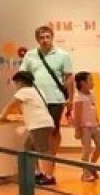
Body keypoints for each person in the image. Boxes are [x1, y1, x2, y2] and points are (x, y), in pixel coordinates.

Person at [18, 25, 73, 180]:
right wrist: (23, 96)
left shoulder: (63, 55)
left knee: (53, 132)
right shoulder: (30, 55)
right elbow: (23, 76)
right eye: (42, 37)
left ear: (52, 37)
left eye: (48, 37)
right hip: (36, 101)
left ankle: (50, 165)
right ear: (37, 39)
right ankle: (36, 170)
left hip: (55, 99)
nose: (45, 40)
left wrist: (70, 98)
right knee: (35, 133)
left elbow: (69, 77)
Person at [0, 71, 56, 186]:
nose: (15, 86)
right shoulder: (37, 91)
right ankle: (36, 173)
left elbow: (10, 105)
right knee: (28, 147)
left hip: (39, 124)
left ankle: (49, 176)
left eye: (15, 83)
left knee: (43, 150)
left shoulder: (23, 91)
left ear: (20, 82)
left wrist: (2, 118)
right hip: (44, 122)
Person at [72, 72, 100, 182]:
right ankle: (85, 173)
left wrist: (97, 120)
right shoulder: (78, 97)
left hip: (94, 125)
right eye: (90, 80)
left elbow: (93, 108)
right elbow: (77, 115)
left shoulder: (91, 94)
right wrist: (77, 129)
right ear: (82, 83)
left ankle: (92, 166)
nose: (92, 82)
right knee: (87, 149)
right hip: (84, 127)